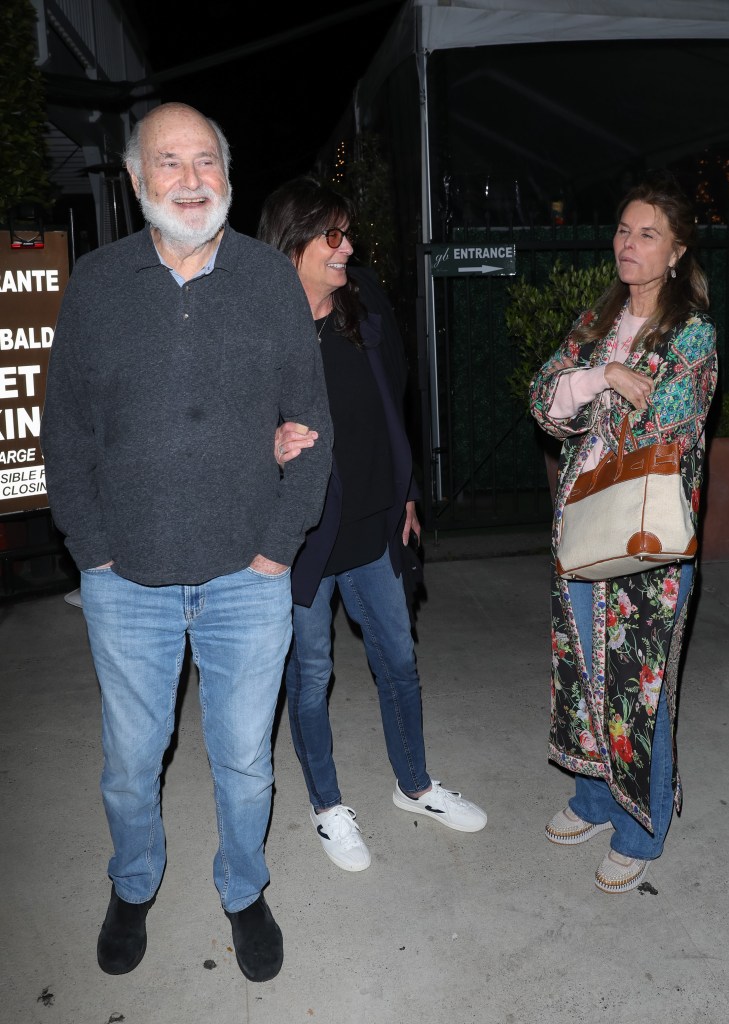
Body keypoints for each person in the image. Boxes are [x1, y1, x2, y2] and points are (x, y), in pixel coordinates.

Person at [40, 104, 333, 981]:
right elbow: (67, 433)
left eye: (207, 160)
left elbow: (310, 426)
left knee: (245, 762)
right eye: (169, 162)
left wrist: (278, 550)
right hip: (125, 579)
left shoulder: (267, 281)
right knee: (132, 763)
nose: (192, 178)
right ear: (136, 181)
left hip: (248, 576)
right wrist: (90, 549)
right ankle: (133, 882)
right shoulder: (95, 284)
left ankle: (244, 889)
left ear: (229, 176)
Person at [257, 176, 487, 872]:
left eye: (348, 233)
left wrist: (407, 491)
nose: (348, 247)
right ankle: (327, 806)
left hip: (373, 525)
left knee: (399, 661)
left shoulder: (366, 307)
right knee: (312, 675)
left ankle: (413, 784)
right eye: (334, 236)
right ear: (293, 243)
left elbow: (393, 406)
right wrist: (261, 450)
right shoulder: (259, 332)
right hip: (302, 539)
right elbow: (224, 431)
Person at [529, 173, 717, 893]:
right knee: (584, 673)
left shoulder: (691, 333)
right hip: (581, 530)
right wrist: (602, 372)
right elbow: (546, 402)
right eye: (623, 231)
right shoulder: (595, 321)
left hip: (647, 541)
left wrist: (593, 385)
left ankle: (644, 824)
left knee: (639, 687)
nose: (628, 245)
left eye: (647, 235)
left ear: (675, 252)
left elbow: (662, 425)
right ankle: (595, 799)